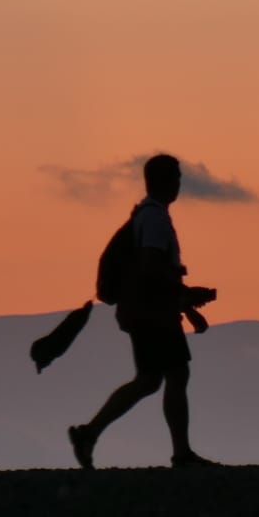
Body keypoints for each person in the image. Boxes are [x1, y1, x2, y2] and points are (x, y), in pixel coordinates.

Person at [69, 154, 218, 469]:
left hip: (146, 312)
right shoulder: (155, 220)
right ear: (164, 181)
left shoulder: (147, 216)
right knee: (174, 374)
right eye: (176, 177)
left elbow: (153, 271)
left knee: (151, 379)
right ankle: (181, 454)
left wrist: (187, 306)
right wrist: (185, 295)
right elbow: (152, 268)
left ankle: (90, 433)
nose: (179, 184)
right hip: (153, 314)